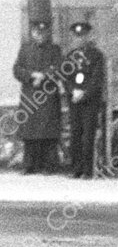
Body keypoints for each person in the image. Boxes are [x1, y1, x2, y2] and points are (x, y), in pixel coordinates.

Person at [13, 19, 62, 174]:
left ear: (47, 33)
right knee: (30, 132)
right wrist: (31, 75)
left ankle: (49, 165)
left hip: (47, 96)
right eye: (37, 32)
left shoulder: (55, 50)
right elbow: (17, 69)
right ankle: (29, 165)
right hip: (30, 96)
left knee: (48, 131)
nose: (40, 35)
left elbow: (60, 68)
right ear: (33, 33)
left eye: (43, 32)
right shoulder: (25, 50)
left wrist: (44, 76)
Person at [64, 21, 106, 179]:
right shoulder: (70, 56)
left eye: (82, 36)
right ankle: (77, 168)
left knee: (88, 135)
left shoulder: (97, 55)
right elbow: (66, 78)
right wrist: (72, 91)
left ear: (88, 36)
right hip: (74, 100)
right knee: (75, 134)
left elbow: (97, 79)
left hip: (90, 101)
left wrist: (84, 93)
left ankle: (88, 170)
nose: (79, 39)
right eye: (76, 36)